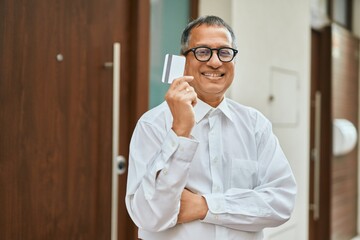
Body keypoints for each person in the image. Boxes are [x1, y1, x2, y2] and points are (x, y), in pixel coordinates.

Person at [125, 15, 297, 240]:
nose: (215, 62)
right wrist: (180, 133)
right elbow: (149, 217)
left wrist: (206, 206)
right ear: (183, 61)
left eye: (224, 52)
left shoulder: (255, 125)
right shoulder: (153, 125)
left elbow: (281, 203)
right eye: (203, 51)